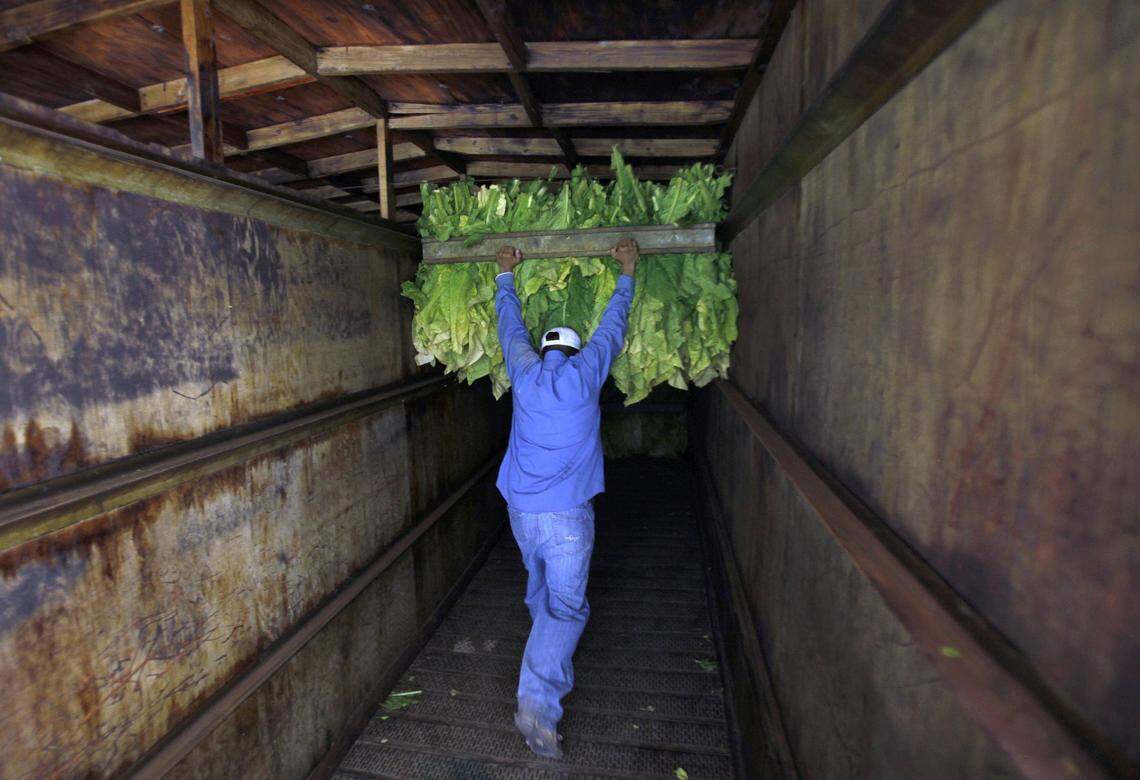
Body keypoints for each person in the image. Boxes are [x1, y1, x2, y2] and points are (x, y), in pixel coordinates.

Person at [493, 237, 639, 759]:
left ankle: (545, 669)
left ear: (544, 351)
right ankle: (538, 703)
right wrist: (626, 273)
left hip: (521, 514)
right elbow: (612, 328)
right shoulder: (586, 373)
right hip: (568, 519)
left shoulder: (526, 374)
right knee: (567, 608)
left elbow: (509, 328)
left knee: (541, 597)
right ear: (573, 352)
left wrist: (506, 275)